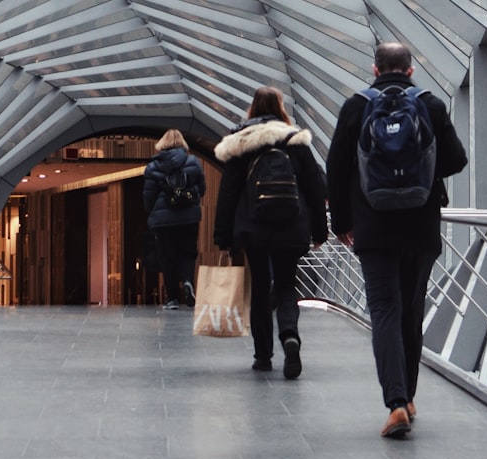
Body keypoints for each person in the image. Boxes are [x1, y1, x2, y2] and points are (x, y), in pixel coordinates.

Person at [326, 41, 467, 438]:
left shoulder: (356, 107)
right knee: (411, 312)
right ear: (410, 70)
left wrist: (342, 222)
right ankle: (408, 397)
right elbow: (457, 159)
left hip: (373, 228)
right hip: (421, 228)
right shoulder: (431, 105)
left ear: (375, 70)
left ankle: (396, 403)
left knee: (385, 311)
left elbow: (335, 168)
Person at [213, 86, 327, 378]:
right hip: (292, 226)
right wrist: (320, 231)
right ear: (280, 107)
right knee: (287, 285)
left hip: (254, 228)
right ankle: (290, 336)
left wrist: (223, 238)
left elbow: (227, 194)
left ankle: (263, 355)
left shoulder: (241, 144)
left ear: (253, 108)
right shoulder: (296, 141)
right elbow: (315, 189)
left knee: (261, 287)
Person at [143, 129, 206, 309]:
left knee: (167, 257)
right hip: (189, 217)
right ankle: (187, 281)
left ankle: (172, 298)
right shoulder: (193, 162)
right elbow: (202, 189)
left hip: (163, 220)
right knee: (188, 252)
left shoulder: (153, 166)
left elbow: (149, 196)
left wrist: (152, 214)